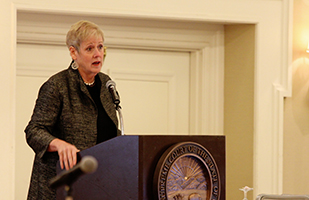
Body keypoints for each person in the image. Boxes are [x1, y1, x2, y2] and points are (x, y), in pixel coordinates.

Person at [25, 20, 121, 200]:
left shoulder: (106, 85)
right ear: (73, 52)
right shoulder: (57, 86)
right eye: (90, 48)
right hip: (60, 188)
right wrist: (58, 143)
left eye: (100, 47)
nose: (97, 54)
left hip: (99, 186)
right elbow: (33, 131)